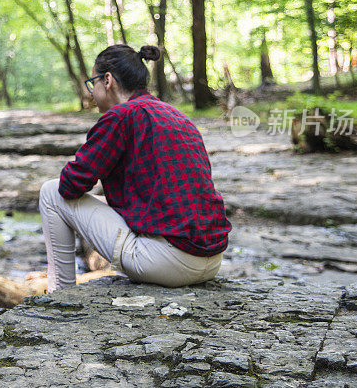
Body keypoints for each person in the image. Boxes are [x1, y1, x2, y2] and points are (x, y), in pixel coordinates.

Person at [39, 44, 231, 292]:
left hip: (169, 262)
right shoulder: (176, 115)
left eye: (92, 84)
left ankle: (61, 294)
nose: (91, 93)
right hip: (212, 258)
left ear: (107, 80)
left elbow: (71, 184)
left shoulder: (120, 116)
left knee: (50, 192)